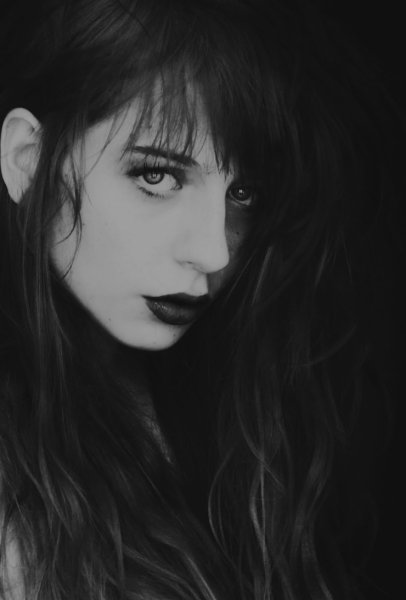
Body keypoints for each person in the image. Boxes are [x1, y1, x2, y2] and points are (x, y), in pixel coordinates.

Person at [0, 0, 402, 598]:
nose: (214, 251)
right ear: (26, 159)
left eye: (242, 193)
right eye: (157, 176)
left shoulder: (237, 402)